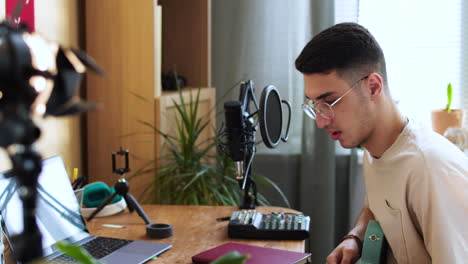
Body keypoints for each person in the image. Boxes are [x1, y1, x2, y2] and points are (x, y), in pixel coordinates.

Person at [295, 22, 468, 264]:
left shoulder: (430, 169)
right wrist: (354, 238)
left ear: (373, 87)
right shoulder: (376, 148)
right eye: (315, 107)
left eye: (330, 103)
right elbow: (378, 205)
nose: (321, 122)